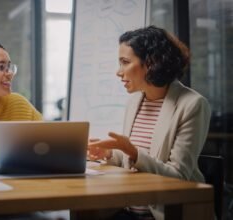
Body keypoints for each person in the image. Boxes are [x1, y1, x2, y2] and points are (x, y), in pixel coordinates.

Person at [88, 26, 211, 220]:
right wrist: (111, 154)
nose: (118, 72)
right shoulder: (135, 102)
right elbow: (133, 161)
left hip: (164, 214)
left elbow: (178, 177)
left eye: (125, 62)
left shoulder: (192, 105)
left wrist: (132, 151)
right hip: (127, 210)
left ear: (152, 63)